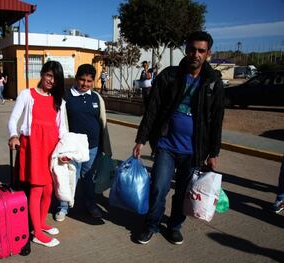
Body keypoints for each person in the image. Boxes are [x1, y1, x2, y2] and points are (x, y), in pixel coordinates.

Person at [132, 31, 224, 245]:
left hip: (193, 150)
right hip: (166, 145)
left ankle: (174, 226)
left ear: (208, 53)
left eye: (201, 51)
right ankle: (151, 224)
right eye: (192, 49)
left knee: (183, 192)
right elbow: (152, 109)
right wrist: (141, 139)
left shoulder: (213, 82)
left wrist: (214, 152)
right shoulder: (169, 75)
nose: (196, 54)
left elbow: (217, 120)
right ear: (186, 50)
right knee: (159, 187)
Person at [8, 61, 67, 248]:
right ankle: (37, 233)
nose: (51, 80)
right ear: (42, 74)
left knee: (49, 189)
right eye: (49, 75)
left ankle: (41, 223)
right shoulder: (27, 94)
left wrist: (64, 151)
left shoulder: (59, 101)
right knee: (37, 189)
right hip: (33, 146)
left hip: (51, 148)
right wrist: (14, 135)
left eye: (55, 78)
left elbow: (62, 129)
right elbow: (13, 120)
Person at [55, 64, 112, 222]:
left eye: (89, 81)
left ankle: (90, 204)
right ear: (76, 78)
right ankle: (63, 207)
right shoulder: (66, 97)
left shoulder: (96, 97)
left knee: (88, 178)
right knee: (68, 176)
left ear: (93, 81)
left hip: (92, 146)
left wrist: (103, 145)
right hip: (72, 147)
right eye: (82, 80)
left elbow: (102, 122)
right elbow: (60, 122)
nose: (85, 84)